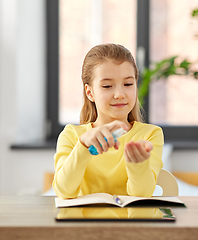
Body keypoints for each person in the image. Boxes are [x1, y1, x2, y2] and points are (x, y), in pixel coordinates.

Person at [53, 43, 164, 199]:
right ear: (90, 92)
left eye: (128, 84)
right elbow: (63, 191)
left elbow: (142, 194)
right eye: (107, 86)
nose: (119, 94)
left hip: (131, 222)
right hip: (84, 223)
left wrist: (137, 165)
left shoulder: (150, 134)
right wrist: (83, 146)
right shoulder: (72, 135)